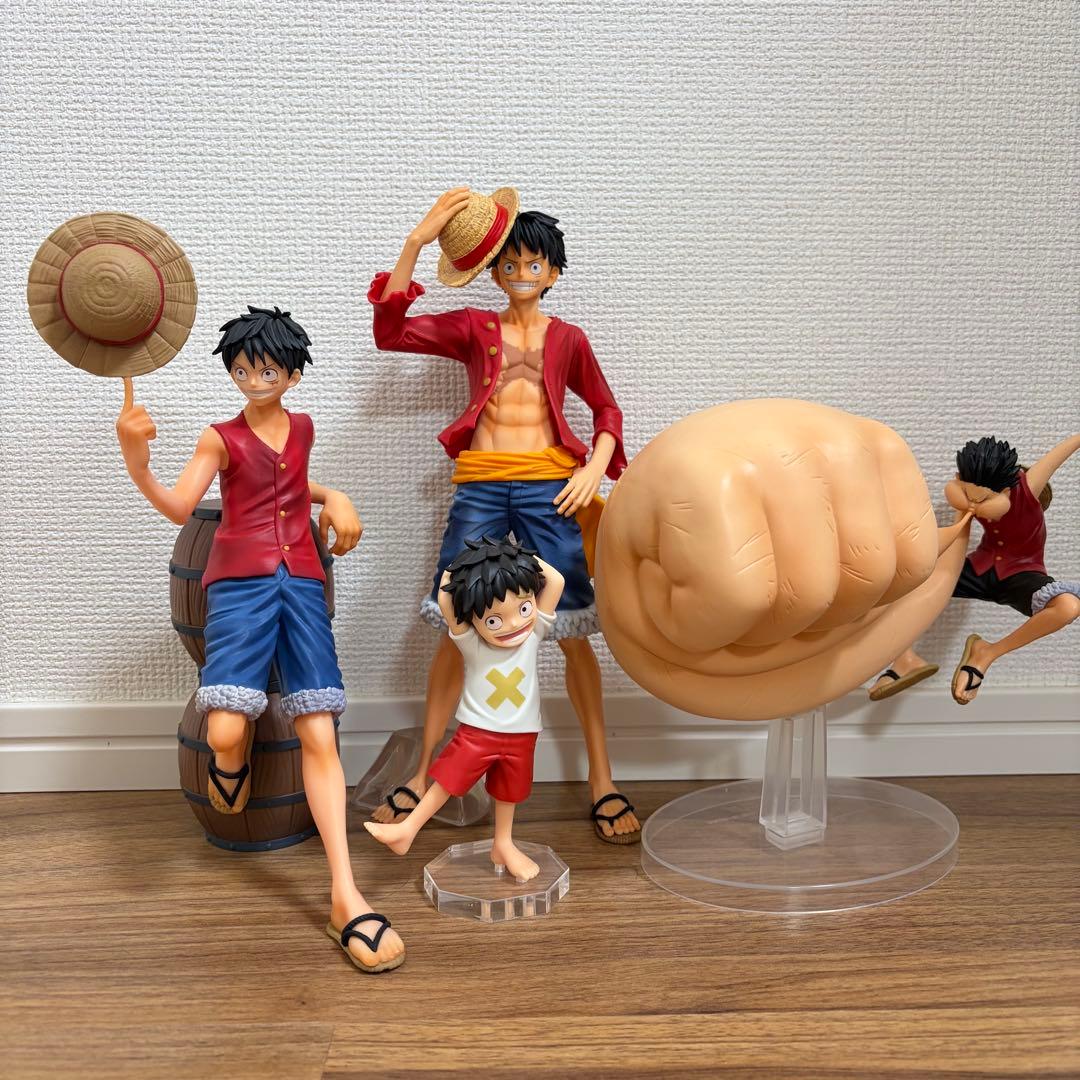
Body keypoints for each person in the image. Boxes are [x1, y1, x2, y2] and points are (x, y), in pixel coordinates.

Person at [116, 306, 405, 974]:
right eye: (243, 370)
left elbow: (292, 483)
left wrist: (334, 496)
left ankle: (344, 895)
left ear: (293, 376)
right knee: (224, 728)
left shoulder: (302, 427)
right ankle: (230, 762)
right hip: (240, 585)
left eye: (267, 370)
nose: (254, 380)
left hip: (300, 583)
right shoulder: (219, 438)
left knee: (319, 730)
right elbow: (181, 507)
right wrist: (138, 463)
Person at [368, 187, 640, 844]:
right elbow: (392, 333)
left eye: (534, 265)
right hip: (483, 486)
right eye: (510, 264)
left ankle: (601, 776)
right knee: (452, 623)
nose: (522, 274)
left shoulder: (568, 338)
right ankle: (424, 771)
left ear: (553, 272)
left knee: (572, 629)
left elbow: (606, 409)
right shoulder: (473, 327)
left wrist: (595, 467)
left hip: (550, 487)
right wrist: (416, 241)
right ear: (494, 272)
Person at [366, 537, 564, 883]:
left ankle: (503, 843)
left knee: (509, 791)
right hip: (477, 732)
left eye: (523, 609)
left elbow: (557, 581)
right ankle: (407, 829)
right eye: (494, 621)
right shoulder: (472, 644)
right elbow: (445, 597)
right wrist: (465, 566)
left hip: (523, 735)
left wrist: (514, 556)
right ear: (474, 620)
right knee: (448, 779)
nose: (513, 624)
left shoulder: (534, 634)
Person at [869, 434, 1080, 705]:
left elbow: (1062, 451)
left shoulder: (1027, 491)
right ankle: (904, 658)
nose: (973, 504)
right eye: (968, 495)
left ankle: (985, 654)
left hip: (1020, 574)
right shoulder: (967, 492)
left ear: (1007, 491)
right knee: (904, 582)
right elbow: (959, 539)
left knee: (1068, 607)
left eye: (983, 499)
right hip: (978, 567)